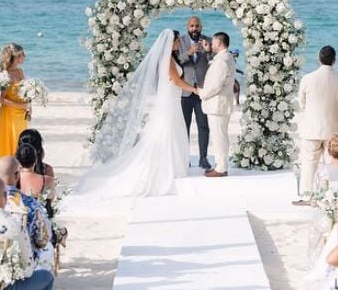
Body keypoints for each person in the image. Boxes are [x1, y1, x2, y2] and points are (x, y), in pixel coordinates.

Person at [71, 29, 197, 199]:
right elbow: (176, 81)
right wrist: (195, 89)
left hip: (172, 101)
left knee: (171, 132)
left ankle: (173, 166)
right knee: (166, 132)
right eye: (176, 41)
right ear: (170, 42)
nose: (179, 43)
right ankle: (166, 168)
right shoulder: (167, 60)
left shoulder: (172, 58)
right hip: (169, 102)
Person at [0, 157, 52, 271]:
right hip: (17, 266)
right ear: (17, 175)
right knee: (48, 251)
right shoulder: (30, 204)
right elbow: (42, 240)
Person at [295, 45, 338, 196]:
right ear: (334, 60)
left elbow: (301, 103)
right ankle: (329, 194)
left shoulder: (307, 78)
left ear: (318, 59)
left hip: (311, 128)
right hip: (332, 130)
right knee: (331, 164)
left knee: (309, 163)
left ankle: (306, 193)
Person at [198, 32, 237, 178]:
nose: (211, 44)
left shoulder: (222, 60)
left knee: (219, 136)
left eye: (213, 42)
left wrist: (202, 93)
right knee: (220, 135)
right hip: (220, 104)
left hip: (217, 104)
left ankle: (221, 168)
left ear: (219, 43)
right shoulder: (226, 57)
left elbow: (215, 85)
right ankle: (220, 165)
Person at [177, 16, 212, 169]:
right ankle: (185, 158)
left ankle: (203, 158)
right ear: (187, 27)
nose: (194, 29)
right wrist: (189, 53)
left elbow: (215, 62)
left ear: (201, 26)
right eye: (191, 26)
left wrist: (208, 51)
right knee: (183, 126)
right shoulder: (181, 41)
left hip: (202, 92)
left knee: (203, 126)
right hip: (184, 91)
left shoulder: (208, 40)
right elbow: (175, 62)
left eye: (197, 26)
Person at [0, 43, 30, 159]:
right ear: (16, 56)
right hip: (10, 113)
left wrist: (28, 105)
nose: (25, 56)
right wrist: (20, 106)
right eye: (22, 54)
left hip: (21, 114)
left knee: (22, 140)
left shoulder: (20, 71)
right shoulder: (6, 74)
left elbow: (24, 91)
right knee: (12, 140)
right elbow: (1, 99)